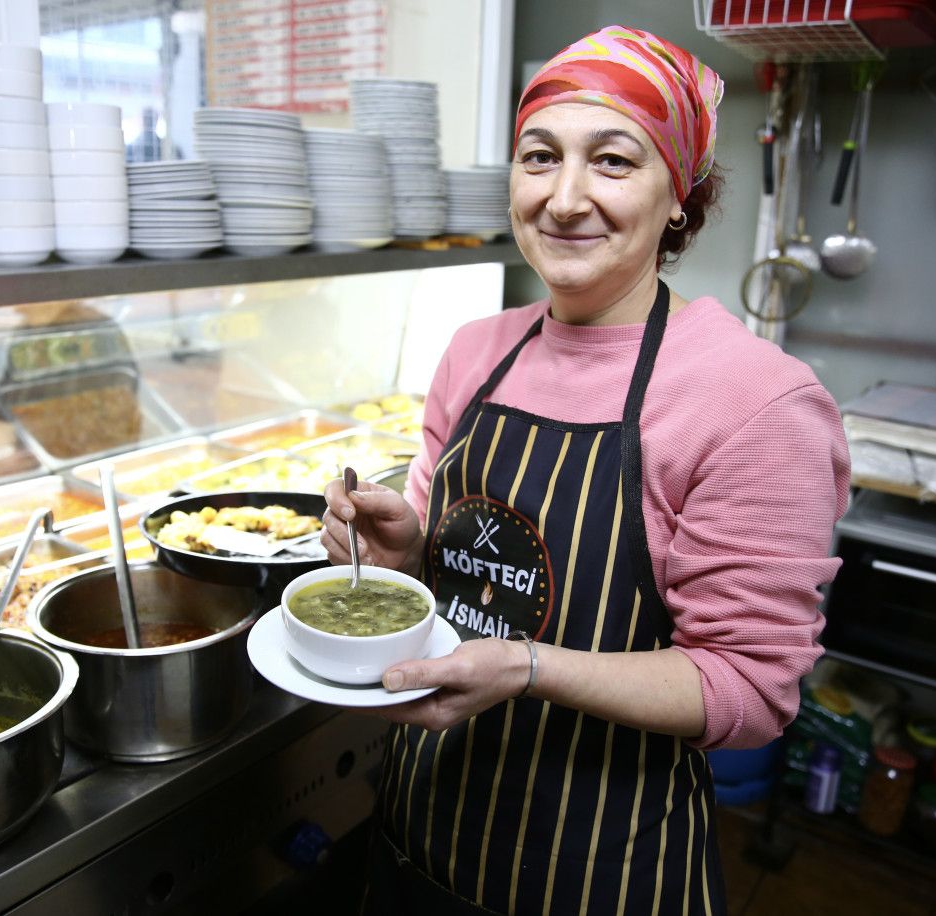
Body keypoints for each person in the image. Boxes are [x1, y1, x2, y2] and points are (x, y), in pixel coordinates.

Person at [321, 24, 851, 916]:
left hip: (605, 863)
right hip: (419, 823)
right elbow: (456, 583)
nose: (564, 199)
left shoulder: (757, 400)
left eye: (612, 161)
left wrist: (529, 668)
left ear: (678, 196)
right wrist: (405, 549)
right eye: (539, 157)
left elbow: (750, 688)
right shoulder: (474, 350)